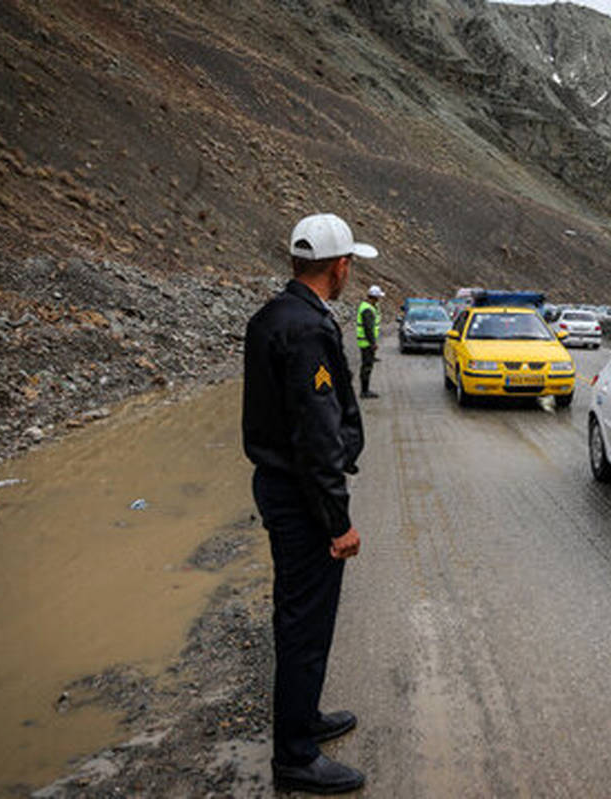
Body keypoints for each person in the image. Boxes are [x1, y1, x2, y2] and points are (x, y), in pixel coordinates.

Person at [242, 212, 377, 794]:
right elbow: (316, 437)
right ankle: (295, 756)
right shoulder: (308, 329)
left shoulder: (272, 316)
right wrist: (338, 521)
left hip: (280, 488)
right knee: (305, 623)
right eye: (351, 263)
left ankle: (304, 719)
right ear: (340, 265)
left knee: (296, 616)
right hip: (301, 498)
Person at [356, 285, 385, 398]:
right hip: (366, 343)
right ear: (374, 297)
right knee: (367, 366)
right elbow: (368, 328)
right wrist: (373, 344)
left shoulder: (368, 307)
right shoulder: (367, 309)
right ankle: (364, 391)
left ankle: (365, 389)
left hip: (365, 342)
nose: (379, 300)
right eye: (378, 297)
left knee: (367, 365)